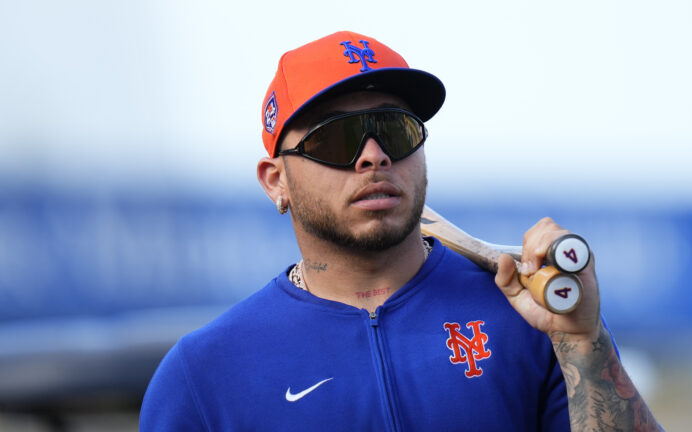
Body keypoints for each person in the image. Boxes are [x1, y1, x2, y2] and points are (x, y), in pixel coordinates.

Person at [140, 31, 662, 431]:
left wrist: (582, 341)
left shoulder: (530, 317)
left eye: (394, 129)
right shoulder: (204, 372)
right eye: (337, 138)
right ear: (276, 182)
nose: (374, 155)